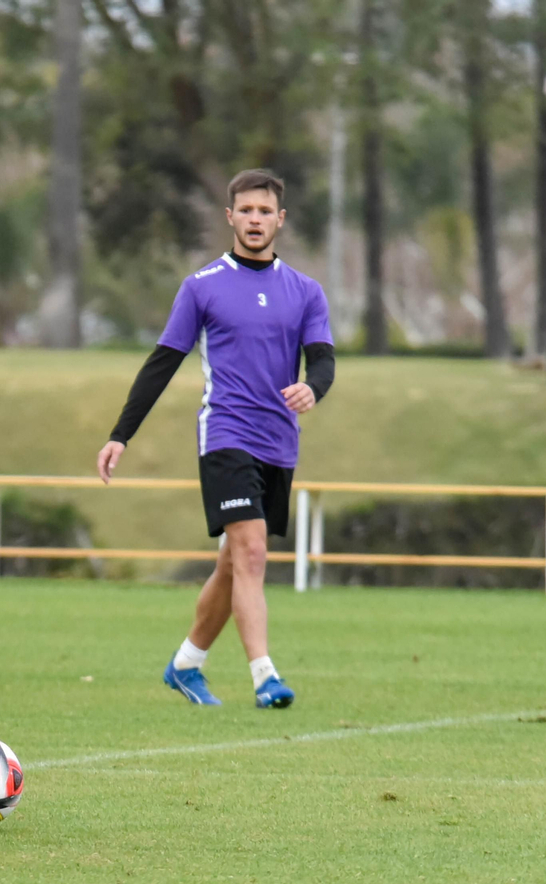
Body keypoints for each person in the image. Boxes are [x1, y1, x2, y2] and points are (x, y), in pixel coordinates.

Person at [95, 169, 335, 710]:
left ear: (280, 219)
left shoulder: (305, 291)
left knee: (233, 563)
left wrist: (313, 388)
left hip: (279, 442)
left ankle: (186, 664)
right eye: (245, 210)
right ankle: (265, 677)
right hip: (225, 434)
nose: (255, 220)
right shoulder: (202, 286)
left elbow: (322, 359)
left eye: (264, 211)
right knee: (251, 552)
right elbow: (162, 363)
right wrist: (120, 435)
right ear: (230, 217)